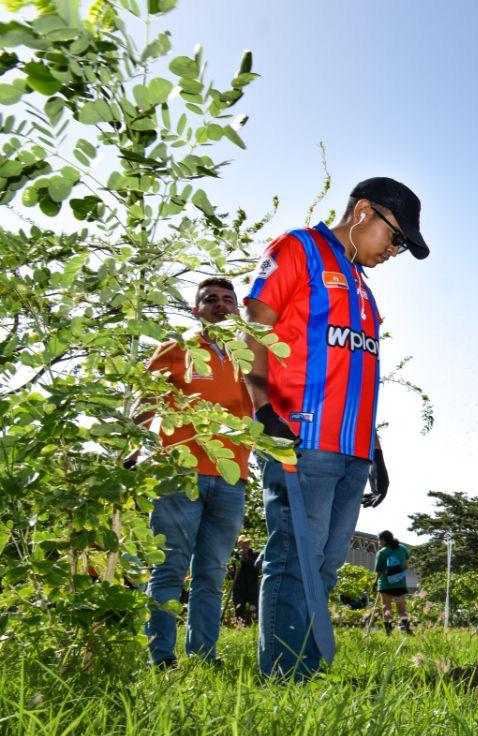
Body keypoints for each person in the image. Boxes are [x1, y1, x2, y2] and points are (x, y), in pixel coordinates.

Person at [243, 177, 430, 680]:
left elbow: (358, 368)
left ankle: (305, 671)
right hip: (300, 436)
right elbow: (254, 324)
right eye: (395, 238)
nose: (395, 251)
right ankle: (284, 679)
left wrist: (375, 451)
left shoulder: (363, 288)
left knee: (325, 566)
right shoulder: (299, 248)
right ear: (364, 212)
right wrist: (262, 408)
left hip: (351, 451)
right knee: (293, 558)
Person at [139, 277, 253, 667]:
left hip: (232, 479)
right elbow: (144, 404)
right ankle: (161, 658)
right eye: (210, 300)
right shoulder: (176, 350)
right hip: (179, 475)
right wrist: (128, 450)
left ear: (238, 309)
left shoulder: (250, 357)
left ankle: (204, 656)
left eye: (228, 300)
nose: (221, 306)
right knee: (169, 566)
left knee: (212, 572)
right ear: (195, 310)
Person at [374, 530, 413, 635]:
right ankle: (408, 629)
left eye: (379, 540)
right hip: (400, 584)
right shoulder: (403, 548)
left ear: (383, 540)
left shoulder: (382, 553)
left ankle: (388, 632)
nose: (378, 543)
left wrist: (375, 583)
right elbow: (406, 566)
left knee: (386, 608)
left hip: (385, 585)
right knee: (402, 610)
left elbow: (378, 571)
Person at [231, 536, 260, 624]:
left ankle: (254, 624)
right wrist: (231, 569)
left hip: (252, 586)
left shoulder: (255, 554)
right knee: (239, 607)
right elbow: (232, 573)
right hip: (239, 586)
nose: (245, 545)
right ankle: (239, 625)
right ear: (239, 544)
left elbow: (257, 568)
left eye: (247, 543)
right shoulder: (235, 557)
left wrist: (247, 558)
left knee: (254, 607)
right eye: (243, 543)